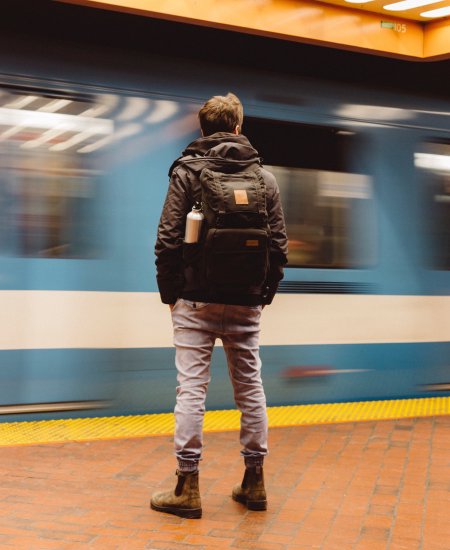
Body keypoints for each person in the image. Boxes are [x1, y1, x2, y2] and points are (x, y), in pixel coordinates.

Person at [152, 93, 288, 519]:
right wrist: (263, 294)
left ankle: (187, 487)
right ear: (237, 128)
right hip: (246, 300)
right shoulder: (265, 179)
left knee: (192, 388)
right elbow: (279, 247)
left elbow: (168, 239)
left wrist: (170, 293)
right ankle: (255, 481)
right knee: (250, 388)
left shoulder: (187, 171)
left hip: (195, 299)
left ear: (203, 130)